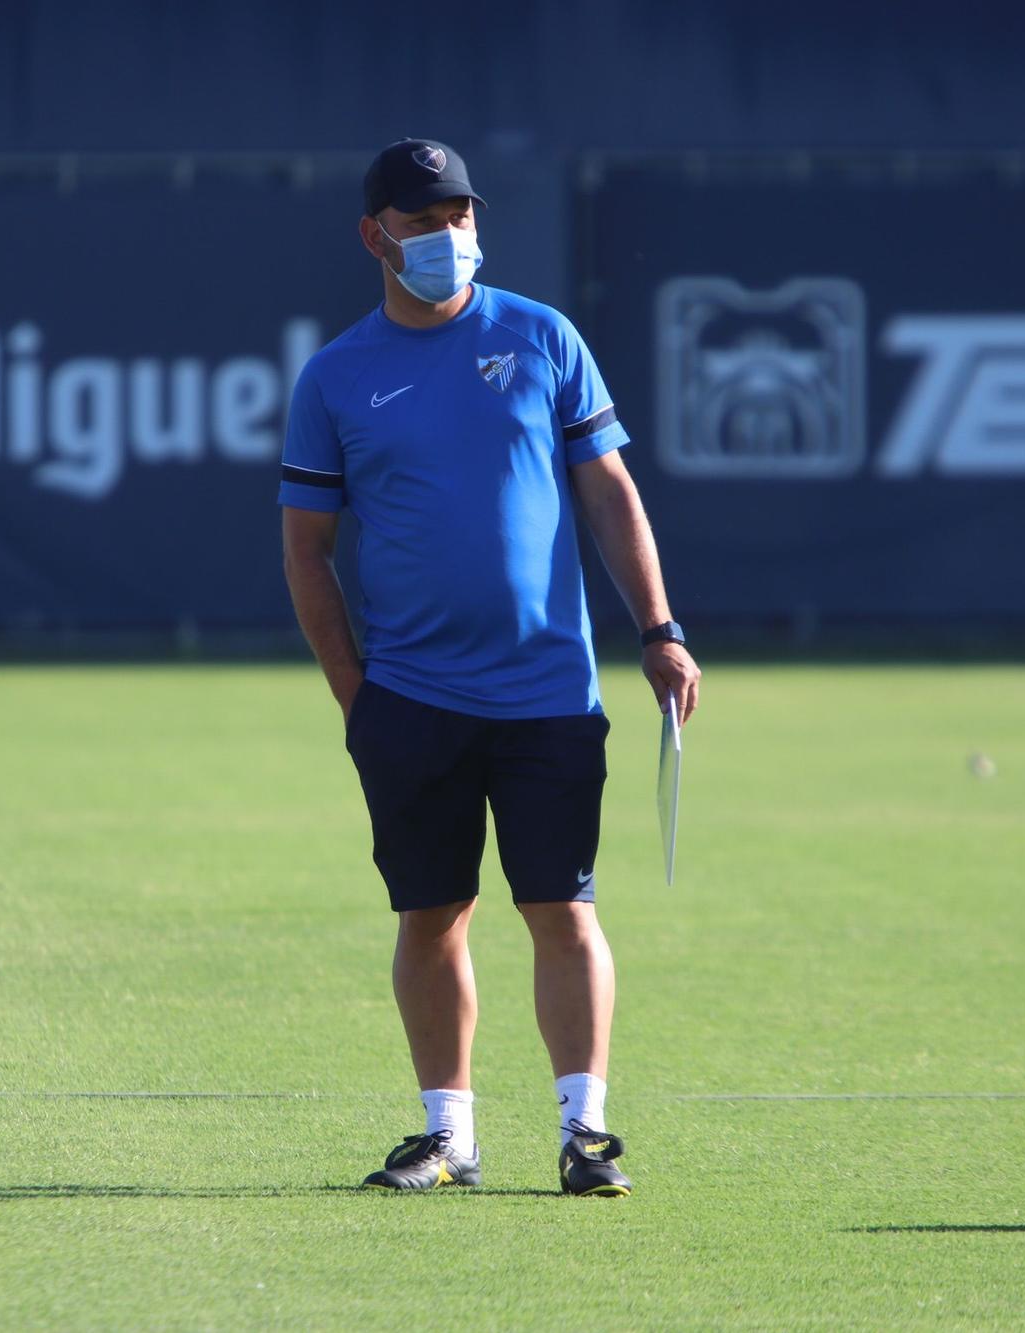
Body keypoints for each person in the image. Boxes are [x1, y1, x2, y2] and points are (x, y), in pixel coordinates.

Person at [280, 139, 701, 1196]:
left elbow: (606, 491)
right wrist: (355, 696)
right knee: (431, 913)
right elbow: (306, 550)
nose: (446, 236)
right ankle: (446, 1133)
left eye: (458, 214)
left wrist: (657, 626)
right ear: (374, 236)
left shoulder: (541, 336)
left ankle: (583, 1130)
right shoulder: (336, 375)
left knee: (561, 908)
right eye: (421, 221)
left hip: (548, 691)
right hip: (412, 698)